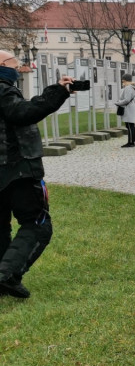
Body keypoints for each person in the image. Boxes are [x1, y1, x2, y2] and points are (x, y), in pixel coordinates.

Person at [0, 51, 75, 298]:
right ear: (2, 66)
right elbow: (23, 112)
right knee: (38, 224)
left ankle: (4, 279)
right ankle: (7, 274)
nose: (19, 66)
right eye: (14, 63)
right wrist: (57, 92)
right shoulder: (4, 90)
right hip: (17, 169)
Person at [114, 74, 135, 148]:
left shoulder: (128, 88)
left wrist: (118, 103)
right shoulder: (133, 87)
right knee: (131, 125)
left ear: (125, 80)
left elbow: (127, 99)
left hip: (128, 108)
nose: (122, 81)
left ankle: (130, 142)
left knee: (129, 126)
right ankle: (132, 141)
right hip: (132, 107)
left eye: (123, 80)